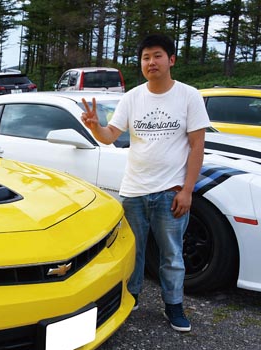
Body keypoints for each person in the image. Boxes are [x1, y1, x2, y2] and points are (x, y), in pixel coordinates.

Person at [80, 34, 210, 332]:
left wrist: (188, 189)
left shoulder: (189, 96)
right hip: (134, 191)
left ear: (171, 60)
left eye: (157, 56)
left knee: (171, 254)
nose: (151, 62)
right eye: (146, 57)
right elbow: (110, 136)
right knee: (132, 252)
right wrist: (95, 126)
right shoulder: (132, 97)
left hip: (170, 191)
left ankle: (173, 305)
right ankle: (132, 296)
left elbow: (197, 147)